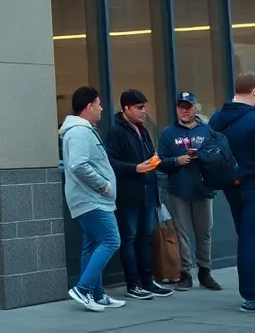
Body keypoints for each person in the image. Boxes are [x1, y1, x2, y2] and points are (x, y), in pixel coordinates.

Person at [105, 89, 173, 299]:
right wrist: (136, 168)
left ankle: (147, 280)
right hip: (128, 195)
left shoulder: (142, 130)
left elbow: (151, 156)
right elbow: (111, 163)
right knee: (130, 238)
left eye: (144, 107)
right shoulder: (116, 132)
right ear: (126, 108)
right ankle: (133, 283)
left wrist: (153, 164)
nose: (144, 112)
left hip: (147, 192)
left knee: (145, 238)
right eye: (139, 108)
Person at [59, 86, 121, 311]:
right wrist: (103, 185)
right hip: (92, 199)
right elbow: (78, 165)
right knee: (111, 240)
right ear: (88, 106)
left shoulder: (81, 130)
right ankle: (83, 289)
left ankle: (97, 295)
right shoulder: (80, 132)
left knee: (92, 245)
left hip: (90, 198)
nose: (101, 108)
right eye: (98, 103)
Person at [158, 91, 221, 291]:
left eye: (189, 107)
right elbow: (160, 162)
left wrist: (201, 156)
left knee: (204, 232)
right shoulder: (168, 134)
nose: (185, 111)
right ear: (177, 109)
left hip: (203, 189)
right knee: (181, 233)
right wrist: (177, 161)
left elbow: (218, 156)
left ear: (195, 108)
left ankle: (205, 271)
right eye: (181, 107)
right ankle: (186, 272)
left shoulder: (207, 131)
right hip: (178, 190)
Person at [211, 72, 255, 312]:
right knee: (251, 240)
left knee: (246, 238)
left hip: (230, 186)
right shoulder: (252, 120)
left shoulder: (217, 119)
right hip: (251, 184)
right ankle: (252, 295)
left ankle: (249, 292)